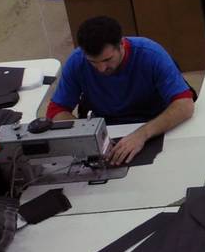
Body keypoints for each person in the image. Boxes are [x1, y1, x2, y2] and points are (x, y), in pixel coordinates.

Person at [46, 16, 194, 164]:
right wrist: (90, 135)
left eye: (107, 60)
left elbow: (184, 105)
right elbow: (56, 111)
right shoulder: (77, 61)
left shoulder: (151, 54)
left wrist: (142, 134)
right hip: (107, 131)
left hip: (154, 126)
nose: (101, 69)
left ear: (121, 44)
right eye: (92, 62)